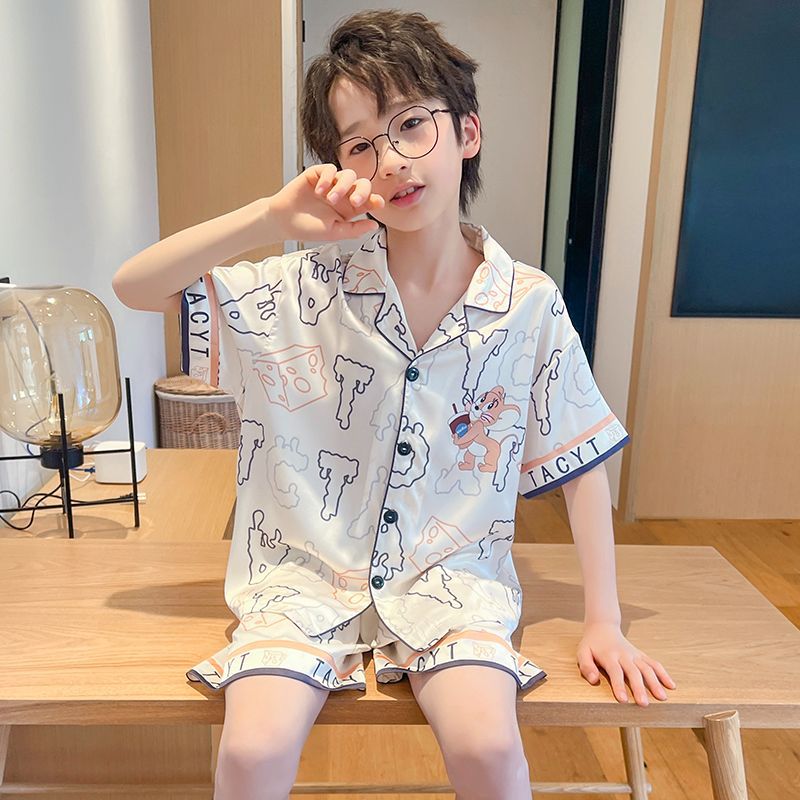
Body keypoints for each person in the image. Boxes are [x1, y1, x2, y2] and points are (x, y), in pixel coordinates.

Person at [113, 9, 676, 800]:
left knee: (488, 746)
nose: (392, 162)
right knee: (251, 750)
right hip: (301, 579)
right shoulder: (299, 289)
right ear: (336, 168)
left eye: (412, 125)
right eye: (359, 145)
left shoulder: (527, 303)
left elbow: (581, 460)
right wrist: (270, 217)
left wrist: (603, 621)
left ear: (467, 133)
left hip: (454, 584)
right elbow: (134, 287)